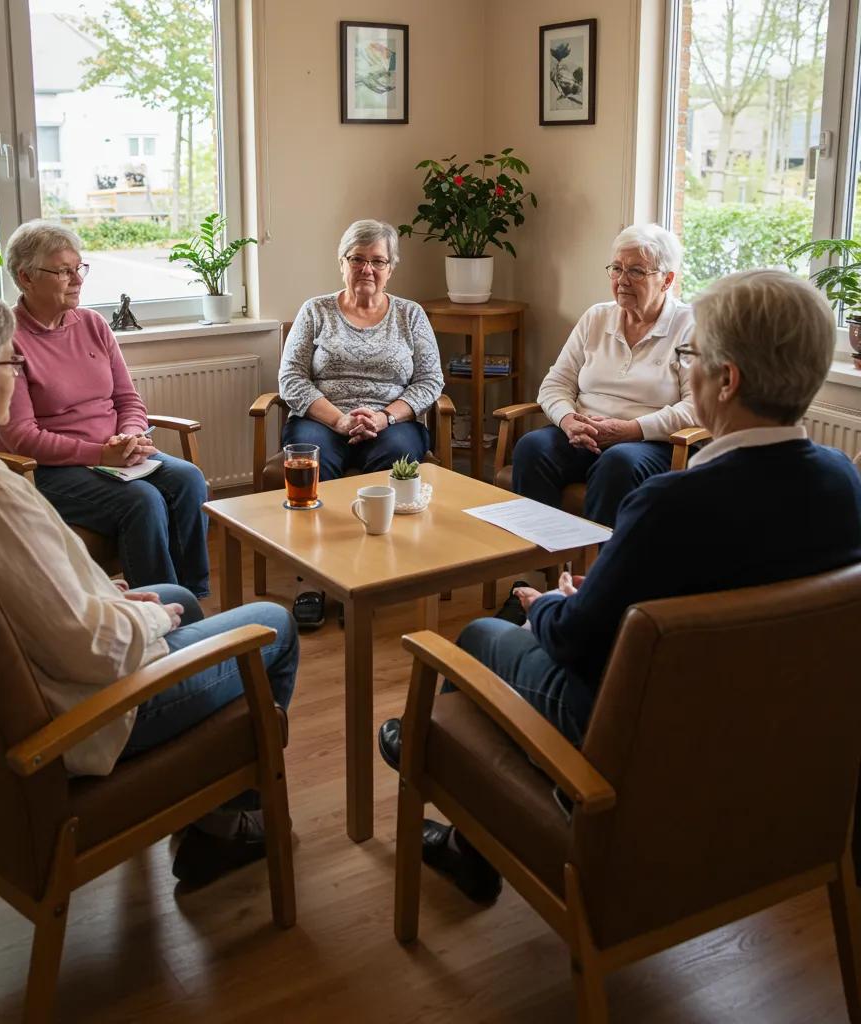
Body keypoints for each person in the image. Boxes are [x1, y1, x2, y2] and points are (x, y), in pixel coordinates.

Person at [380, 268, 861, 903]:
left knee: (478, 636)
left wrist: (549, 604)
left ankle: (466, 822)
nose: (687, 371)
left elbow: (577, 645)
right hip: (763, 756)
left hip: (640, 741)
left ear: (728, 380)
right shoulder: (843, 483)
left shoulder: (670, 505)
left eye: (692, 358)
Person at [0, 279, 299, 892]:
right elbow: (93, 650)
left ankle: (210, 816)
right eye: (12, 361)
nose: (19, 373)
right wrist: (146, 620)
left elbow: (31, 595)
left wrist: (123, 599)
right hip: (75, 720)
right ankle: (222, 829)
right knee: (272, 624)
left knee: (180, 597)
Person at [0, 220, 209, 595]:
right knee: (142, 501)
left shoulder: (93, 324)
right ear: (25, 277)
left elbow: (128, 399)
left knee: (188, 479)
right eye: (63, 271)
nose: (77, 279)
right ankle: (155, 607)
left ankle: (189, 599)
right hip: (49, 469)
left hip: (114, 454)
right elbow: (20, 438)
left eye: (79, 267)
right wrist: (100, 453)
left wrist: (131, 433)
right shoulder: (6, 341)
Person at [278, 218, 444, 625]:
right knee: (316, 462)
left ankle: (373, 576)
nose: (367, 269)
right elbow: (290, 379)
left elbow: (430, 380)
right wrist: (338, 420)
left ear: (391, 267)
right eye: (357, 259)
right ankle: (314, 580)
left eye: (377, 261)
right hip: (325, 415)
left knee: (396, 458)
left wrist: (386, 417)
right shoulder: (316, 310)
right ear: (342, 262)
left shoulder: (410, 314)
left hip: (390, 418)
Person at [512, 223, 698, 529]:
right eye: (617, 269)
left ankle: (598, 572)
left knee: (618, 463)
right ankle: (536, 568)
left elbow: (698, 408)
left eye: (636, 271)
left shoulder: (691, 326)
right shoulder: (597, 316)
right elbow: (555, 384)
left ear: (667, 280)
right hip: (584, 433)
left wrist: (632, 429)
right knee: (533, 447)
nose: (622, 280)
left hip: (652, 442)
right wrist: (568, 419)